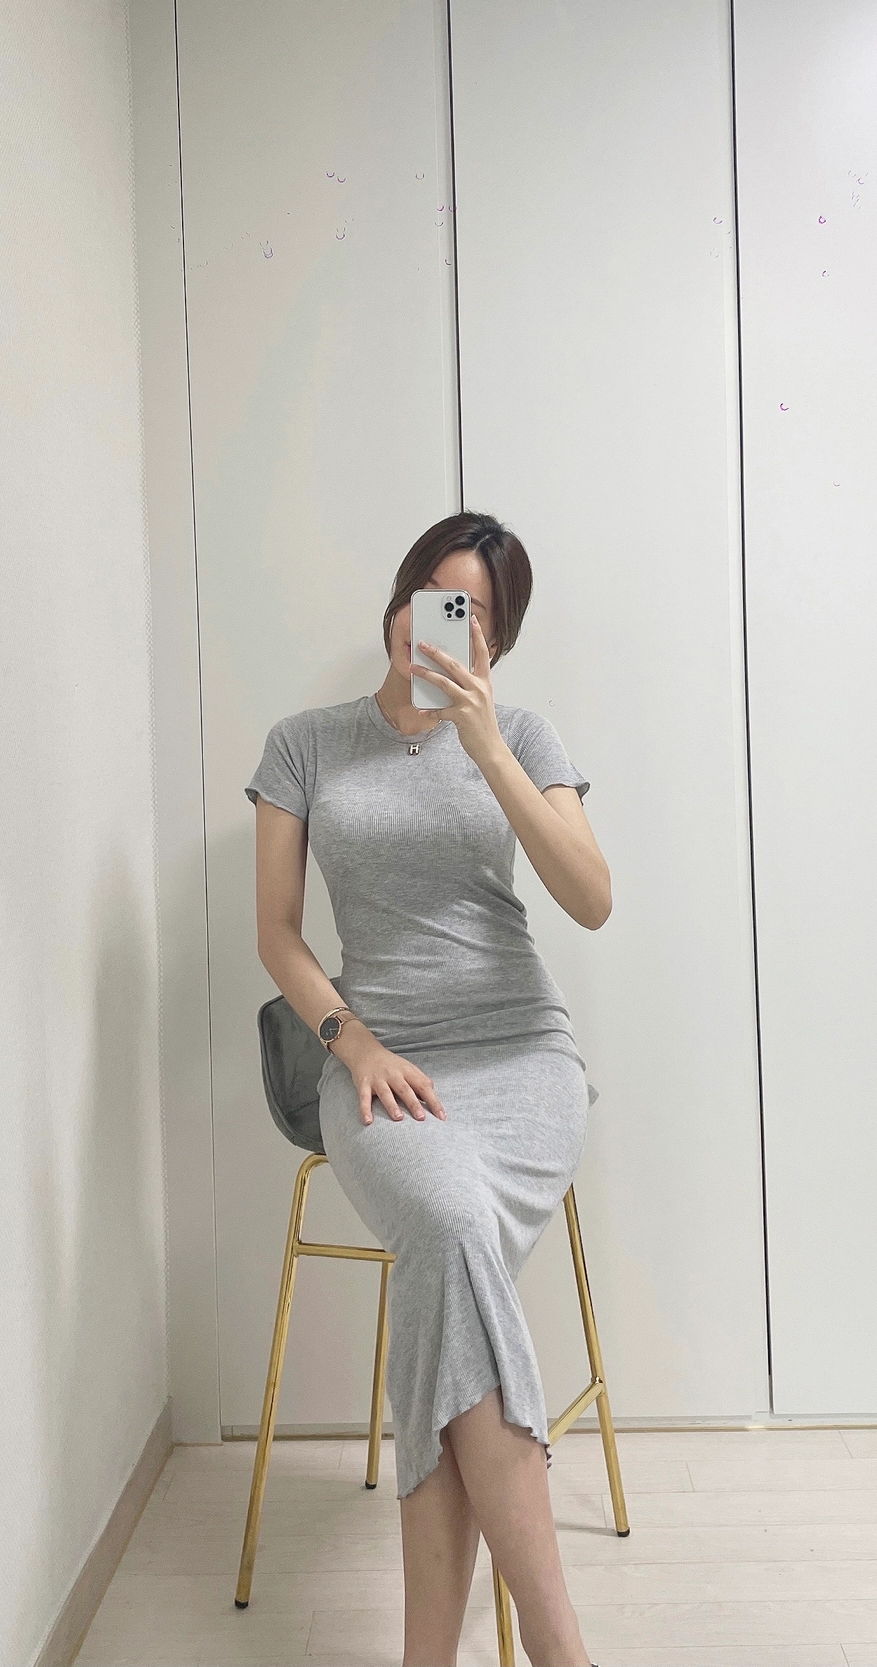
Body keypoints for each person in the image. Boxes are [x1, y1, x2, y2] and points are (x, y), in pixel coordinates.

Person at [245, 510, 610, 1667]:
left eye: (473, 614)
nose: (439, 624)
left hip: (520, 1054)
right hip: (382, 1064)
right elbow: (277, 933)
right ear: (397, 602)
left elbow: (590, 899)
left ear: (494, 641)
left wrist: (486, 744)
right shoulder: (304, 744)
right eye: (431, 596)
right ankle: (558, 1645)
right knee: (449, 1233)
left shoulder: (521, 734)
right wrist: (350, 1041)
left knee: (444, 1273)